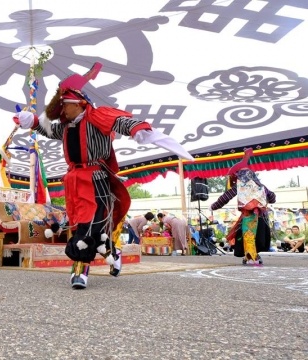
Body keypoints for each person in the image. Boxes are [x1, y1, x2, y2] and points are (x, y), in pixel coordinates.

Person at [12, 62, 193, 289]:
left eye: (65, 106)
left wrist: (137, 129)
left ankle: (79, 272)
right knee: (86, 226)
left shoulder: (96, 118)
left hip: (94, 181)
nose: (62, 111)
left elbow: (119, 120)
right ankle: (112, 254)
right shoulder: (66, 127)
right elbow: (49, 130)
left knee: (87, 226)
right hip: (74, 183)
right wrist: (34, 122)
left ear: (78, 104)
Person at [210, 148, 276, 265]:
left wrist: (213, 207)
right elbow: (273, 197)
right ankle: (250, 255)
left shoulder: (240, 186)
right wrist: (264, 199)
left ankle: (251, 256)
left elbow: (225, 197)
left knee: (248, 236)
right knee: (257, 238)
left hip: (249, 216)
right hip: (262, 216)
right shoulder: (261, 186)